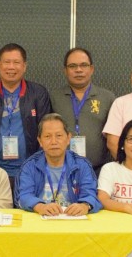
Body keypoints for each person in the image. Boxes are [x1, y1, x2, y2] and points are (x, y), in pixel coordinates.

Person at [0, 43, 51, 189]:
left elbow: (46, 134)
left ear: (24, 66)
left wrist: (35, 169)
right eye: (7, 62)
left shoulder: (38, 94)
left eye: (16, 62)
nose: (11, 67)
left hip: (31, 172)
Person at [15, 113, 101, 216]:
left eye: (59, 135)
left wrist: (84, 205)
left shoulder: (82, 165)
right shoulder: (30, 166)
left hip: (73, 223)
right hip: (41, 224)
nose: (54, 142)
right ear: (40, 141)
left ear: (68, 138)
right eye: (47, 136)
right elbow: (23, 197)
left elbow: (92, 196)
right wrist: (40, 207)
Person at [50, 48, 115, 177]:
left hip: (98, 171)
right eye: (72, 66)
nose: (78, 70)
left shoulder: (108, 98)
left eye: (83, 65)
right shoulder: (54, 97)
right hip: (62, 171)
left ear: (91, 69)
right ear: (65, 70)